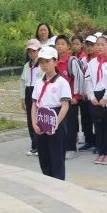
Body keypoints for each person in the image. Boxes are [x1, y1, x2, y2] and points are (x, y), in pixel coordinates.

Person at [31, 46, 71, 180]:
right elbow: (34, 104)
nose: (44, 65)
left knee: (57, 157)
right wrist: (34, 123)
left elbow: (65, 106)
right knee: (44, 157)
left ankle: (59, 184)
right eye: (41, 62)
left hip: (56, 117)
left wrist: (54, 124)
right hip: (41, 119)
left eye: (47, 61)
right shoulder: (38, 82)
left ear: (55, 62)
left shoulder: (62, 83)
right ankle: (47, 181)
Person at [84, 35, 107, 165]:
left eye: (103, 44)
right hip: (95, 96)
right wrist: (91, 96)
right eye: (97, 44)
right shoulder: (92, 63)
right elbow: (88, 80)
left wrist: (106, 98)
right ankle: (101, 152)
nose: (99, 47)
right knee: (98, 126)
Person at [55, 35, 85, 160]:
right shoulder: (53, 61)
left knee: (71, 124)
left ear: (68, 46)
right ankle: (61, 147)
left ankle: (71, 148)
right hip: (58, 99)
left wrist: (76, 97)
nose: (60, 46)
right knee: (60, 124)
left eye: (62, 44)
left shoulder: (71, 61)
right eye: (57, 44)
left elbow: (79, 79)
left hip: (70, 99)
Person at [20, 39, 43, 155]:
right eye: (29, 51)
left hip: (38, 92)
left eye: (34, 51)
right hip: (29, 91)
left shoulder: (42, 65)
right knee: (30, 119)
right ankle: (34, 145)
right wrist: (22, 98)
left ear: (39, 50)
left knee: (39, 118)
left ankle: (40, 145)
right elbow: (23, 82)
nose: (32, 53)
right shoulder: (26, 66)